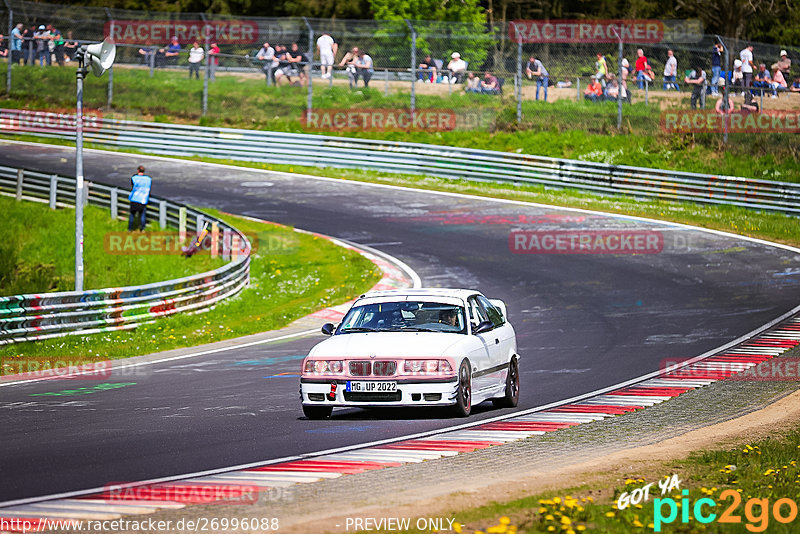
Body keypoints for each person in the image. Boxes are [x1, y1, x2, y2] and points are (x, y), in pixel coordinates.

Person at [128, 166, 152, 232]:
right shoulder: (148, 179)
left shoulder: (134, 178)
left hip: (134, 198)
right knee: (142, 215)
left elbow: (132, 186)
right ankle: (142, 229)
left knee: (132, 214)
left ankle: (130, 229)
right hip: (143, 199)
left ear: (138, 170)